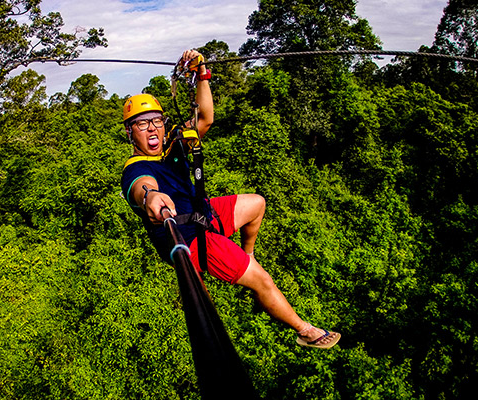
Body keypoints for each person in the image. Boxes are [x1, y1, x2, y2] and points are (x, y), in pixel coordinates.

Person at [120, 49, 340, 349]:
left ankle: (248, 255)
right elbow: (141, 186)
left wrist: (203, 74)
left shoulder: (173, 144)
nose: (152, 128)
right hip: (187, 237)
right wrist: (151, 196)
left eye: (156, 120)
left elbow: (206, 118)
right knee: (262, 281)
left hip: (202, 213)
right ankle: (304, 330)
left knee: (257, 204)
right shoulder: (136, 168)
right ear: (130, 133)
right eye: (141, 123)